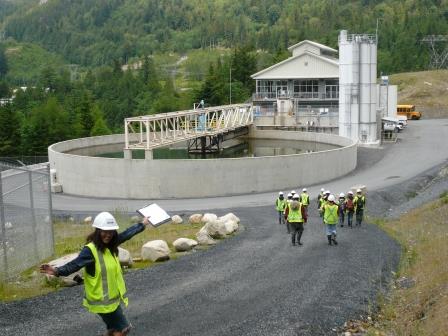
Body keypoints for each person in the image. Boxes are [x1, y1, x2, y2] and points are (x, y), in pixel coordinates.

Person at [40, 212, 152, 336]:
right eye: (105, 231)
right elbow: (75, 264)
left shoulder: (110, 245)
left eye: (111, 231)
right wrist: (57, 271)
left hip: (110, 301)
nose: (108, 235)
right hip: (102, 302)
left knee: (114, 330)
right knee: (123, 329)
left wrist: (142, 224)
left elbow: (126, 234)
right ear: (97, 231)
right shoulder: (90, 250)